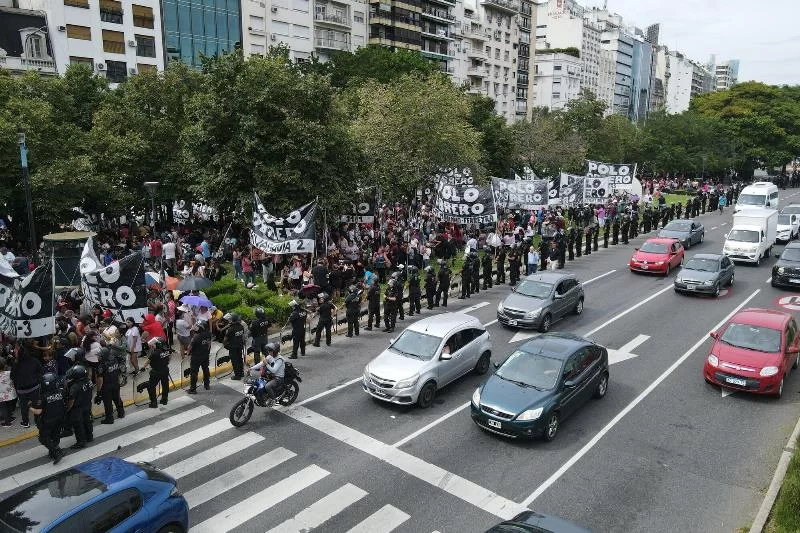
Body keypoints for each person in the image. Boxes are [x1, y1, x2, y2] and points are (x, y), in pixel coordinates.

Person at [28, 373, 65, 464]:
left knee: (44, 438)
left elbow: (38, 412)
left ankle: (55, 453)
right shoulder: (61, 392)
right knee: (56, 435)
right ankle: (55, 451)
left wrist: (29, 406)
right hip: (59, 418)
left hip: (47, 421)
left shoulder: (42, 397)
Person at [11, 346, 43, 429]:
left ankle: (25, 422)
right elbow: (40, 371)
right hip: (34, 387)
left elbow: (12, 377)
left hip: (21, 390)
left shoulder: (16, 364)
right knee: (36, 404)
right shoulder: (34, 360)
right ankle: (37, 421)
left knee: (23, 406)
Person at [65, 364, 93, 449]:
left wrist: (68, 409)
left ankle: (81, 442)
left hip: (77, 409)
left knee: (78, 425)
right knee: (87, 421)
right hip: (87, 405)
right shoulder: (89, 381)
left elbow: (71, 400)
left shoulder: (75, 387)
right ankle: (89, 436)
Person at [95, 348, 124, 424]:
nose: (98, 357)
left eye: (100, 356)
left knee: (107, 403)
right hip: (115, 383)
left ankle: (109, 418)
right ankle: (121, 413)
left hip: (107, 386)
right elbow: (119, 371)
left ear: (103, 356)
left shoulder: (101, 366)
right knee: (117, 399)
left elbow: (100, 380)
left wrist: (98, 392)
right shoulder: (114, 360)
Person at [140, 338, 171, 406]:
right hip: (165, 370)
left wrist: (142, 368)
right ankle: (164, 400)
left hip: (156, 372)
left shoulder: (155, 353)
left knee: (151, 386)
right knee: (165, 385)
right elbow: (169, 359)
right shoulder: (167, 351)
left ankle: (153, 402)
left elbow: (147, 362)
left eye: (155, 344)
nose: (154, 345)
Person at [187, 321, 212, 394]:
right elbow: (209, 345)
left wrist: (187, 354)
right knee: (206, 369)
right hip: (205, 355)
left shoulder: (196, 336)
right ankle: (207, 385)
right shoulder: (209, 334)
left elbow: (190, 347)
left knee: (194, 372)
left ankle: (193, 389)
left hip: (196, 357)